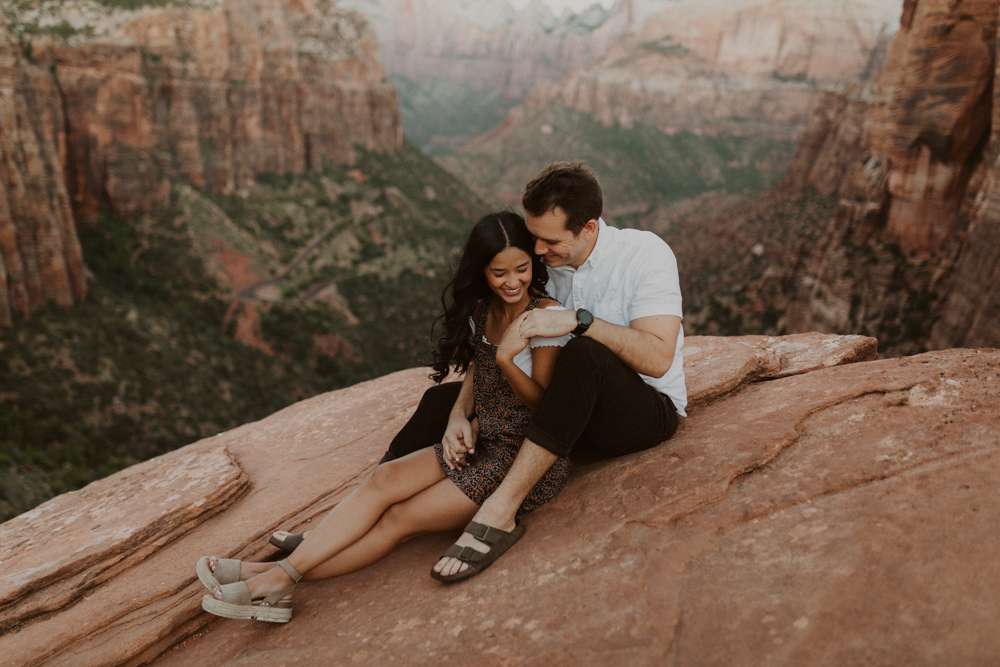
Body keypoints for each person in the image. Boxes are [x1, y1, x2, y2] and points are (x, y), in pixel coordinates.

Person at [196, 211, 572, 622]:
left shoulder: (545, 315)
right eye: (499, 272)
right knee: (383, 480)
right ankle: (269, 575)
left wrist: (509, 360)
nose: (512, 281)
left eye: (521, 268)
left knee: (398, 519)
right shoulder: (487, 308)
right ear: (482, 271)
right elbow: (479, 371)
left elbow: (546, 410)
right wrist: (456, 417)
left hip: (517, 459)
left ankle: (274, 581)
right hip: (481, 437)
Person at [429, 162, 687, 579]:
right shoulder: (544, 265)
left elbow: (658, 359)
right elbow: (493, 347)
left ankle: (501, 510)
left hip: (641, 413)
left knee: (584, 354)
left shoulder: (644, 254)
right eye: (534, 238)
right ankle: (350, 521)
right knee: (436, 401)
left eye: (550, 240)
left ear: (588, 228)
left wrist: (578, 320)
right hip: (568, 413)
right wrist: (460, 411)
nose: (538, 251)